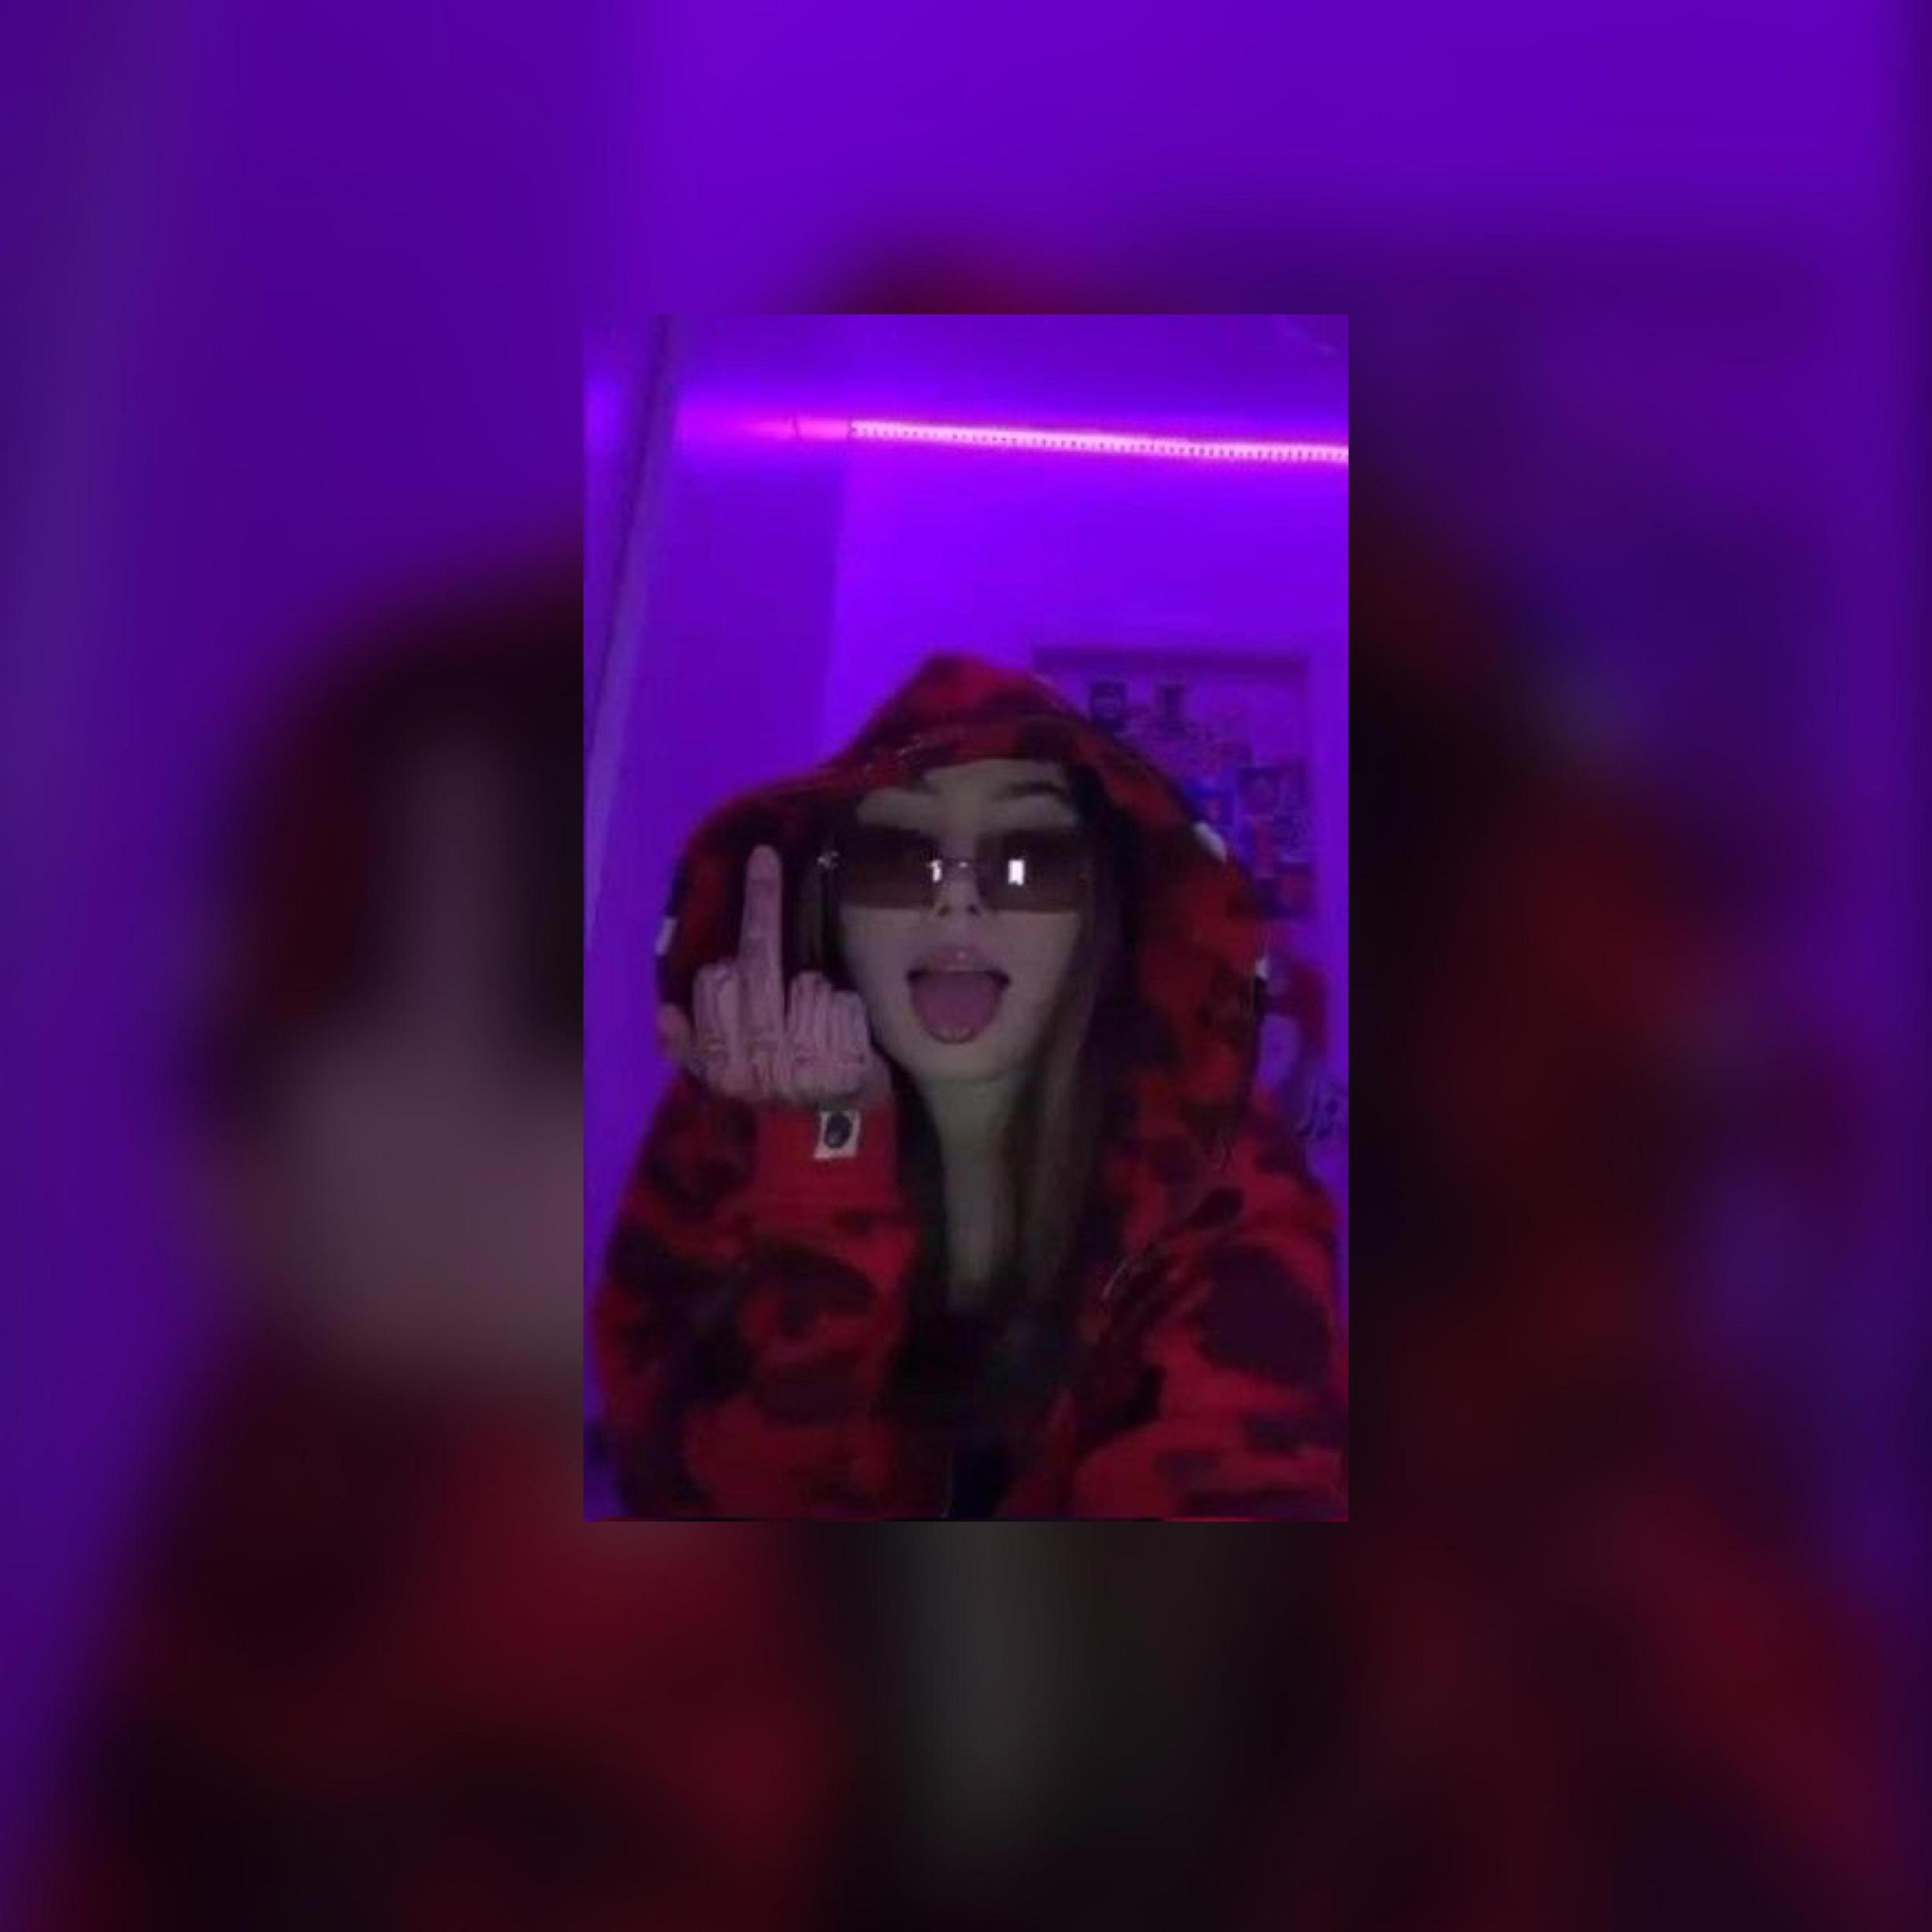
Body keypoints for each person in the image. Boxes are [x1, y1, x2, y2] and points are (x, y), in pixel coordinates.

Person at [593, 654, 1347, 1519]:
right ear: (830, 908)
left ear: (1098, 916)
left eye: (1028, 861)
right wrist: (822, 1170)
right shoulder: (732, 1138)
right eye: (898, 858)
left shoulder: (1221, 1175)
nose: (957, 905)